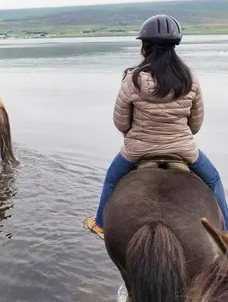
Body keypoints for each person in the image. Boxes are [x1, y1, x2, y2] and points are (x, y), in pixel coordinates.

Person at [85, 14, 228, 237]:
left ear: (145, 46)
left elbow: (121, 122)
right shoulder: (190, 79)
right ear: (174, 47)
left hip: (138, 149)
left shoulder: (132, 79)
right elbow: (196, 123)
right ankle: (226, 230)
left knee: (112, 177)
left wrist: (138, 136)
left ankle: (101, 224)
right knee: (214, 179)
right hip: (183, 149)